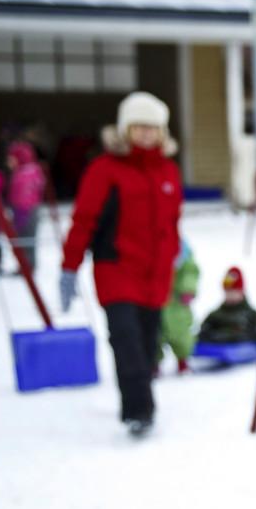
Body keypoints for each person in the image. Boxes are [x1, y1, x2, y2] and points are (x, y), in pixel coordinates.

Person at [60, 92, 183, 439]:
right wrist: (69, 267)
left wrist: (175, 254)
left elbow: (172, 222)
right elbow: (84, 219)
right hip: (117, 270)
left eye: (153, 128)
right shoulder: (105, 170)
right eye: (139, 127)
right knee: (126, 339)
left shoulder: (168, 171)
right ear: (125, 130)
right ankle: (138, 411)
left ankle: (141, 400)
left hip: (155, 273)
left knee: (146, 343)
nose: (146, 134)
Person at [6, 140, 47, 271]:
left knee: (25, 239)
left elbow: (24, 196)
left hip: (25, 210)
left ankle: (27, 266)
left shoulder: (25, 173)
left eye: (11, 159)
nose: (9, 162)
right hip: (25, 210)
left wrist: (21, 214)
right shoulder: (28, 170)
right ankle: (25, 265)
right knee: (25, 240)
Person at [159, 242, 199, 374]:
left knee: (181, 336)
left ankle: (183, 361)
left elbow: (190, 272)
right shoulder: (151, 247)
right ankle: (154, 364)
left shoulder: (182, 250)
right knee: (155, 335)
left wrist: (188, 289)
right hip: (157, 302)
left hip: (177, 304)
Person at [198, 266, 256, 345]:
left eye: (234, 292)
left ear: (241, 292)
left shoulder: (252, 316)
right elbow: (204, 331)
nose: (230, 295)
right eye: (227, 292)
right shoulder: (215, 315)